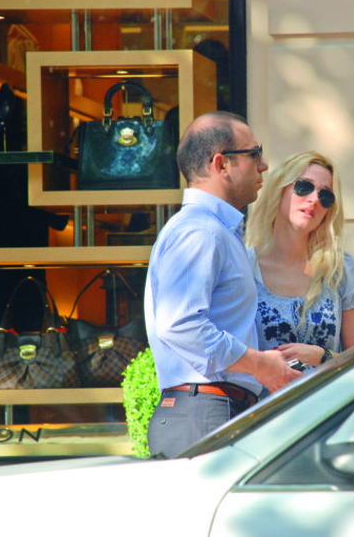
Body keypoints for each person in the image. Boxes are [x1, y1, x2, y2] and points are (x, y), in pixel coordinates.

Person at [144, 111, 301, 459]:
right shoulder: (200, 231)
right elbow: (180, 324)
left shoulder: (213, 231)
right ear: (221, 164)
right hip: (206, 412)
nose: (264, 166)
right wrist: (258, 364)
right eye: (254, 154)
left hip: (211, 410)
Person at [244, 151, 354, 374]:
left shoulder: (341, 270)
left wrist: (322, 356)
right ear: (280, 189)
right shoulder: (244, 266)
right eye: (304, 187)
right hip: (264, 397)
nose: (314, 199)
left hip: (327, 395)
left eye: (325, 195)